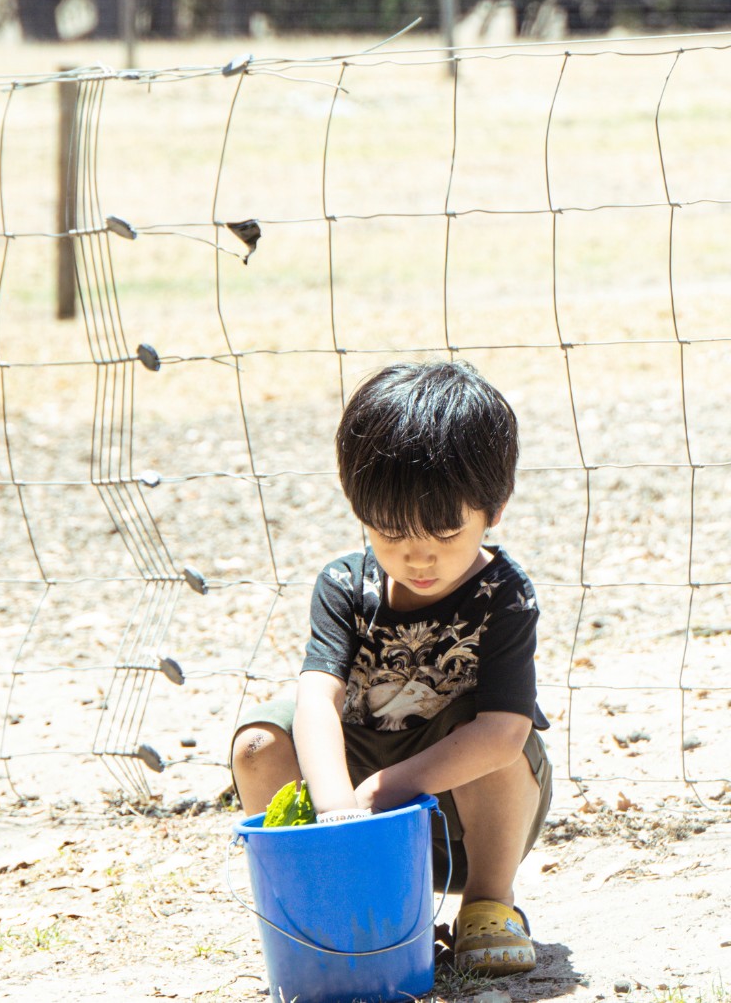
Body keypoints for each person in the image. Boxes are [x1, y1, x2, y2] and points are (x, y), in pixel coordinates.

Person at [230, 361, 551, 977]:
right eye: (389, 532)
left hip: (456, 822)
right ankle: (316, 900)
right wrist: (336, 813)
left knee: (494, 743)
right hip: (348, 817)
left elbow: (505, 733)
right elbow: (316, 700)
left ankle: (488, 903)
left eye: (445, 533)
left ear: (495, 508)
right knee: (257, 744)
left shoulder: (504, 595)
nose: (417, 556)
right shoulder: (345, 584)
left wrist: (378, 794)